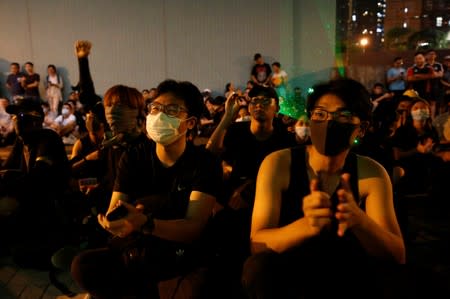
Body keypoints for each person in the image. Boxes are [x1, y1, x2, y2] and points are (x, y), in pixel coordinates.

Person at [241, 78, 408, 299]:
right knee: (258, 268)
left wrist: (360, 220)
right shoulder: (278, 164)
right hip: (290, 270)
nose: (329, 123)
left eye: (343, 116)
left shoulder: (371, 173)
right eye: (320, 114)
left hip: (347, 272)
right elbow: (258, 245)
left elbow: (397, 254)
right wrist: (306, 226)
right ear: (310, 120)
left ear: (362, 128)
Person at [71, 79, 223, 299]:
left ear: (190, 123)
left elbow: (193, 228)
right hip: (136, 244)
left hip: (177, 249)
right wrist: (113, 221)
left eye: (171, 110)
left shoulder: (204, 163)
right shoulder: (133, 157)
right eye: (155, 108)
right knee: (82, 265)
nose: (160, 115)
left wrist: (147, 223)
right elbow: (117, 207)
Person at [0, 97, 70, 269]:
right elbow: (6, 169)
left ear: (35, 119)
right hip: (27, 197)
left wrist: (7, 181)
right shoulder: (21, 141)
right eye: (14, 116)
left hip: (46, 204)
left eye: (20, 115)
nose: (16, 119)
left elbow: (39, 177)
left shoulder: (48, 138)